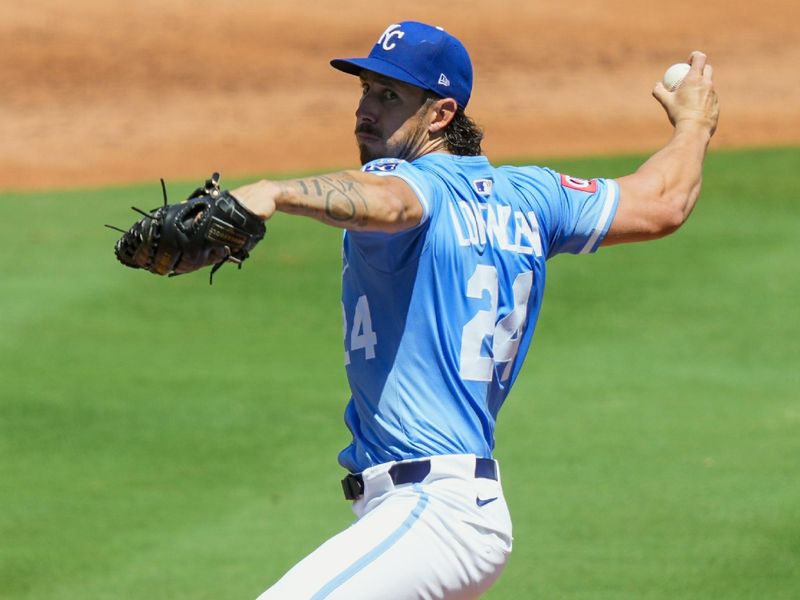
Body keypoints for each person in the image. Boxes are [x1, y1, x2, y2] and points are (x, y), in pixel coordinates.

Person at [232, 20, 719, 600]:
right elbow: (663, 201)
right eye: (365, 89)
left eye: (390, 96)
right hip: (441, 516)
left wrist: (275, 192)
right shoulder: (533, 197)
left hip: (433, 515)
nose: (366, 109)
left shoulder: (407, 183)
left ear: (440, 114)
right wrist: (694, 125)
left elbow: (391, 203)